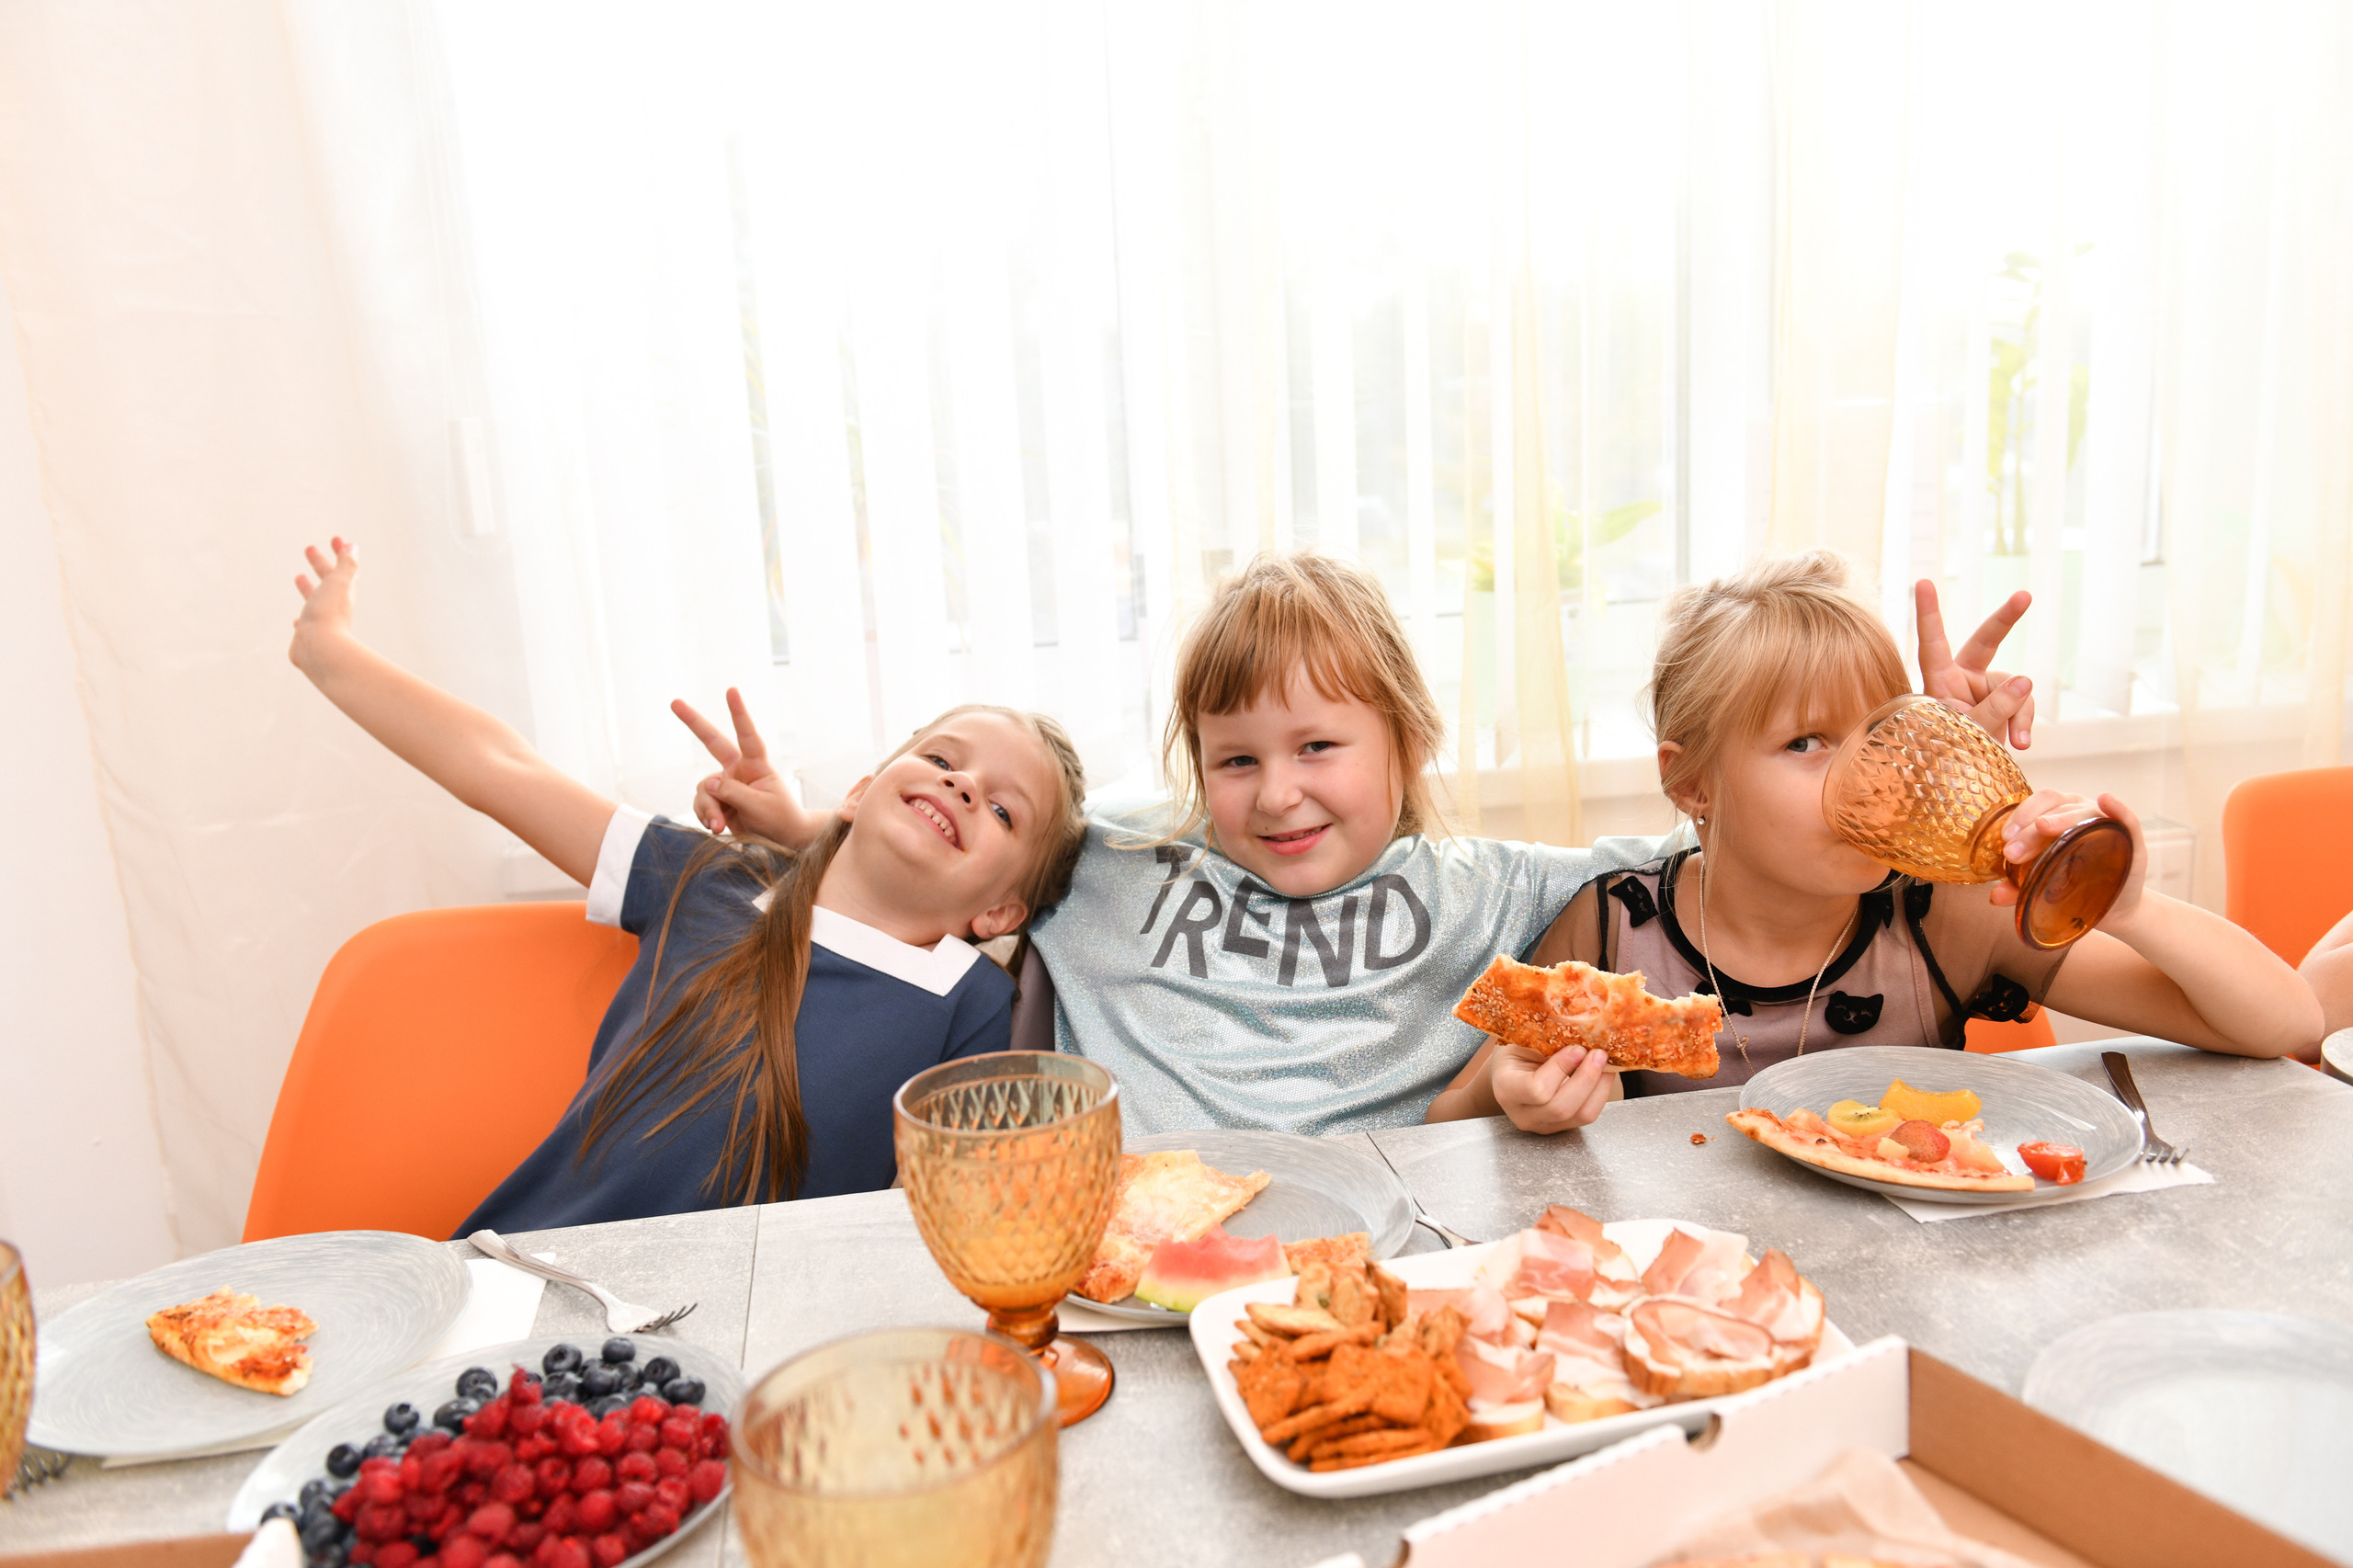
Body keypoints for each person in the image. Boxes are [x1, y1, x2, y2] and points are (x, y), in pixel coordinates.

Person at [677, 551, 2037, 1139]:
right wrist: (813, 827)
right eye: (1236, 760)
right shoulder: (1113, 865)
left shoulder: (1508, 887)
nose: (1278, 794)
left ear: (1408, 745)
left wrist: (1926, 791)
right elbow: (966, 856)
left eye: (1321, 747)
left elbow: (1730, 841)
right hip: (1142, 1260)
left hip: (1387, 1248)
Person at [288, 538, 1087, 1231]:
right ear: (858, 789)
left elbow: (949, 1218)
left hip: (741, 1337)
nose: (962, 788)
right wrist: (333, 653)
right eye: (944, 760)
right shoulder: (709, 878)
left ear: (1001, 910)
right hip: (535, 1268)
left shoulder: (972, 1000)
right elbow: (501, 768)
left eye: (1004, 811)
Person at [1429, 551, 2317, 1126]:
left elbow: (2286, 1022)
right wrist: (1515, 1093)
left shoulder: (1939, 919)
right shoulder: (1616, 931)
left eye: (1885, 738)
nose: (1872, 781)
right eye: (1808, 744)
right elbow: (1449, 1125)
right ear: (1690, 782)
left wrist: (2129, 907)